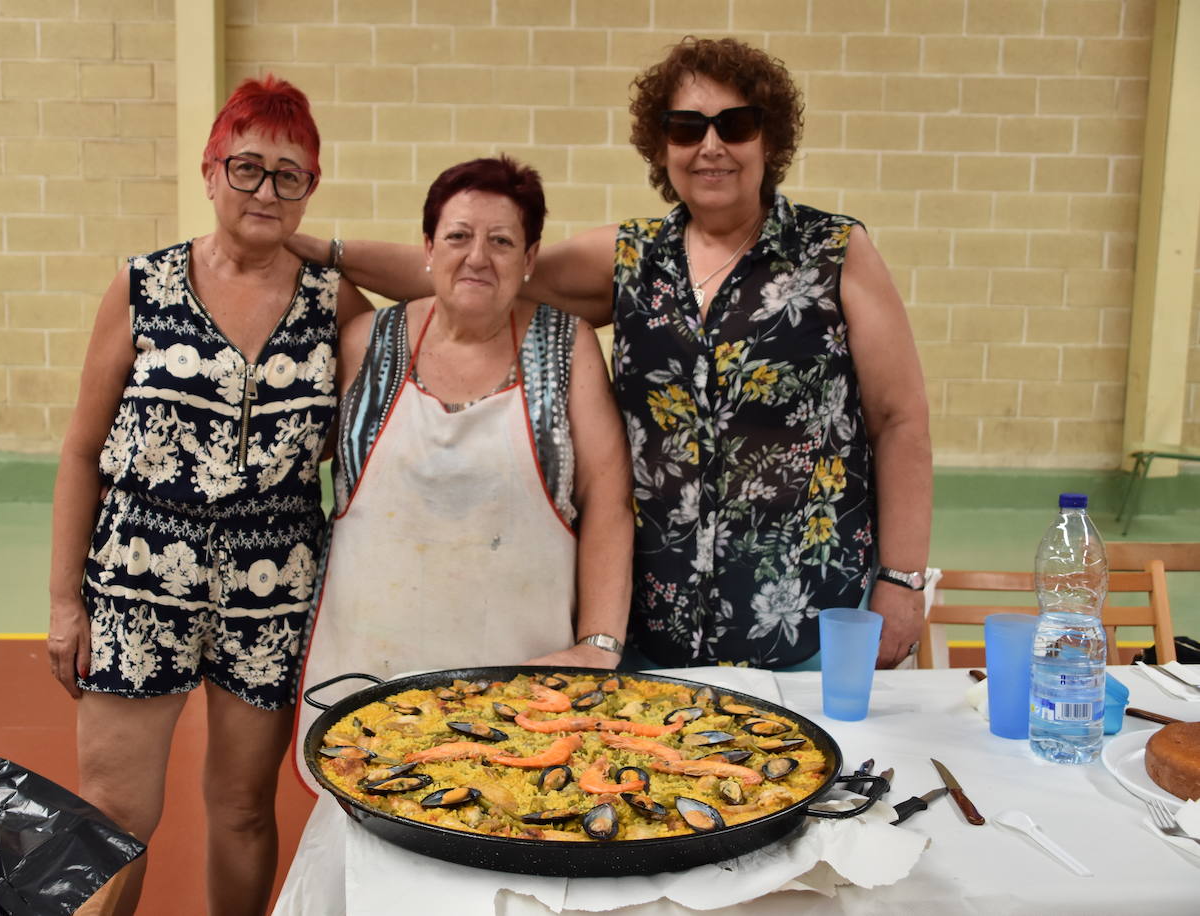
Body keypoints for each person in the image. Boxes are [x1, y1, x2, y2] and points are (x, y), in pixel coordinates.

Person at [284, 36, 932, 672]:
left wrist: (901, 581)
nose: (711, 146)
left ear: (770, 138)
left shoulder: (836, 252)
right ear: (663, 146)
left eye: (734, 125)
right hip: (657, 630)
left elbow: (899, 420)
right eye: (687, 127)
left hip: (808, 624)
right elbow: (472, 276)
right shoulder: (631, 259)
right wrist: (322, 250)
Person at [273, 156, 633, 915]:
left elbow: (608, 502)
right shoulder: (365, 342)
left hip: (518, 683)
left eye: (503, 242)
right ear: (427, 248)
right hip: (372, 682)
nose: (478, 256)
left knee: (508, 864)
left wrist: (599, 644)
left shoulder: (565, 349)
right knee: (365, 879)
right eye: (459, 236)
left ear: (530, 259)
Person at [46, 75, 369, 916]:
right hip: (139, 572)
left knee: (240, 809)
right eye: (248, 167)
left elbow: (427, 308)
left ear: (311, 191)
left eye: (289, 174)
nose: (266, 190)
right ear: (210, 169)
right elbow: (83, 451)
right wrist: (62, 603)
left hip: (274, 582)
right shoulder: (143, 287)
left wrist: (339, 253)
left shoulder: (335, 301)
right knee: (114, 814)